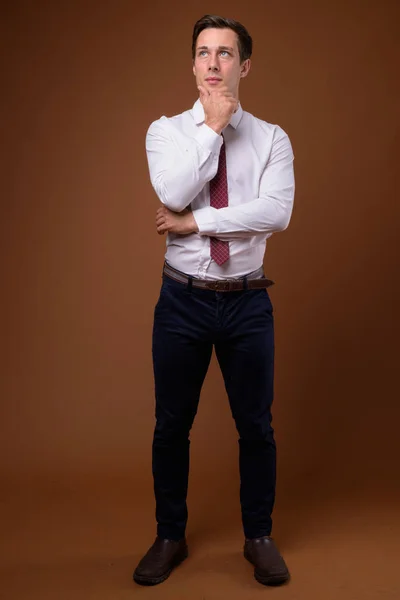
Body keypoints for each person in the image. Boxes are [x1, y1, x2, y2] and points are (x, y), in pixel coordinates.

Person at [133, 14, 295, 587]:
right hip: (183, 302)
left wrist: (195, 222)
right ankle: (169, 536)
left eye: (225, 54)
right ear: (192, 62)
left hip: (248, 303)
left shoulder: (273, 138)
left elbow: (275, 213)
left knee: (257, 427)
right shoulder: (166, 132)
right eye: (204, 52)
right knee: (171, 425)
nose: (212, 64)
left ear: (244, 66)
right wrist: (212, 128)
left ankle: (259, 536)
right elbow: (171, 190)